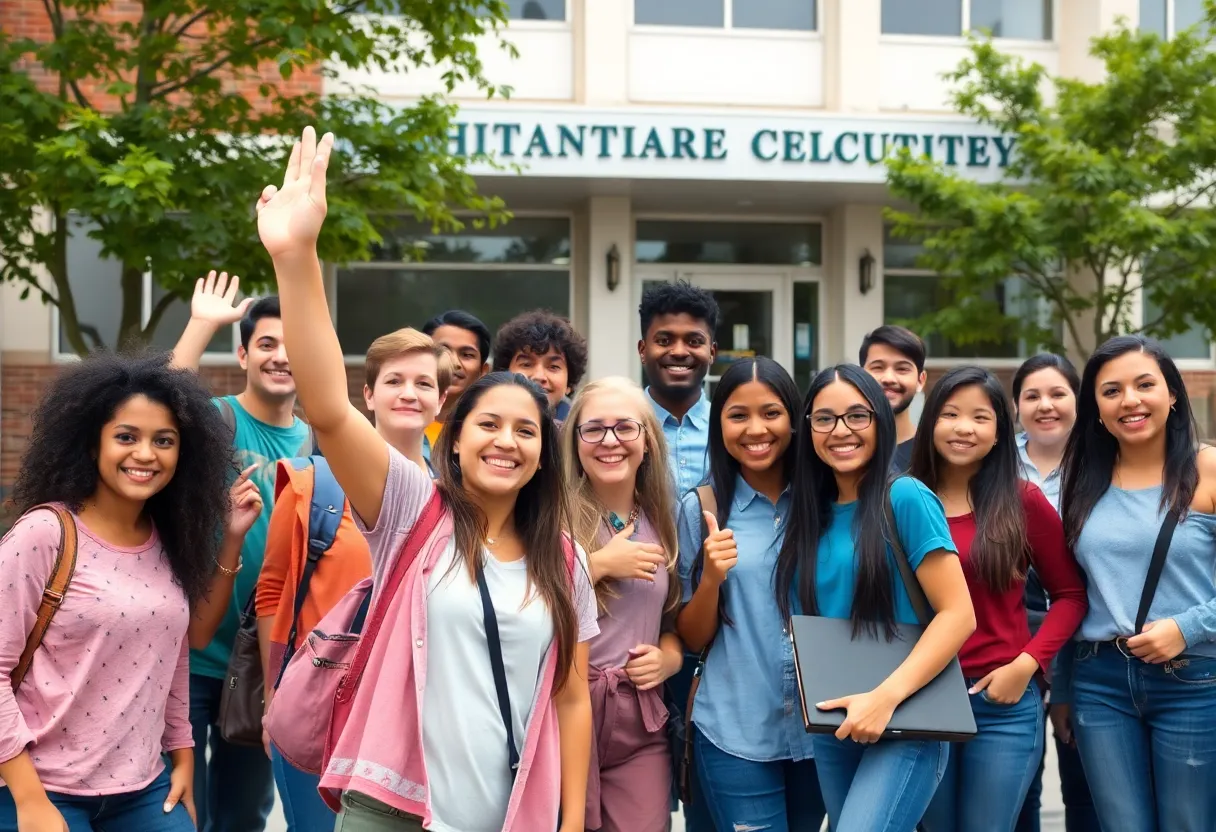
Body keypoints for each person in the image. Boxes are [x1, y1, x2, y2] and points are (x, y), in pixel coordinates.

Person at [257, 126, 597, 831]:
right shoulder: (415, 510)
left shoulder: (565, 561)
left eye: (525, 430)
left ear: (543, 452)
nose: (506, 440)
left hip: (510, 816)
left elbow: (570, 698)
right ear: (456, 434)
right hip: (392, 808)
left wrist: (568, 822)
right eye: (488, 424)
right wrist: (297, 259)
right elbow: (325, 407)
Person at [0, 352, 260, 832]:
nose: (146, 454)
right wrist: (29, 798)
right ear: (91, 443)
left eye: (164, 441)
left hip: (144, 790)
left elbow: (175, 654)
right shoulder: (44, 533)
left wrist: (182, 756)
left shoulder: (169, 542)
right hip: (39, 786)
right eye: (126, 437)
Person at [256, 328, 452, 832]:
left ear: (442, 399)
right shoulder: (311, 484)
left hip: (410, 717)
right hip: (323, 696)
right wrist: (274, 695)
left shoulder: (459, 501)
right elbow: (275, 592)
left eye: (424, 383)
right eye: (394, 380)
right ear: (368, 395)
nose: (410, 392)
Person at [777, 364, 975, 832]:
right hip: (834, 724)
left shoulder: (905, 496)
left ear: (880, 422)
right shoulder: (808, 512)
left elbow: (958, 615)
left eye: (856, 416)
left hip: (904, 717)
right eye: (824, 418)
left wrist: (884, 699)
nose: (840, 431)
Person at [912, 366, 1086, 832]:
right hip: (921, 699)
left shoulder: (1021, 500)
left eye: (980, 417)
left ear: (998, 433)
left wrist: (1027, 665)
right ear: (930, 424)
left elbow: (1070, 594)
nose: (964, 427)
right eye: (949, 414)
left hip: (1001, 701)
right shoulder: (903, 498)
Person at [1056, 335, 1216, 831]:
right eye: (1111, 390)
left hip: (1192, 679)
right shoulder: (1080, 479)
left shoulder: (1208, 468)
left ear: (1172, 393)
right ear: (1096, 409)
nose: (1130, 400)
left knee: (1188, 824)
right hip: (1099, 681)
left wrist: (1186, 627)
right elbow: (1073, 592)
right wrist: (1063, 687)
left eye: (1145, 384)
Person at [172, 273, 313, 832]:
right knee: (177, 810)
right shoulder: (215, 420)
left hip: (267, 668)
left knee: (243, 818)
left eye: (294, 346)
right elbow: (155, 402)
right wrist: (201, 322)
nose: (282, 357)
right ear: (243, 352)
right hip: (188, 660)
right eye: (267, 344)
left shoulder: (321, 442)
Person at [677, 357, 827, 832]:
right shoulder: (701, 508)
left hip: (821, 731)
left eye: (771, 413)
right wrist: (711, 579)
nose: (755, 429)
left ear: (794, 420)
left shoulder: (830, 501)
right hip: (734, 731)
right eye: (738, 415)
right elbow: (690, 637)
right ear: (718, 422)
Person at [563, 377, 683, 832]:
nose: (609, 441)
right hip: (562, 714)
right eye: (593, 429)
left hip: (640, 723)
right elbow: (520, 607)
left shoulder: (664, 520)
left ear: (648, 440)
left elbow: (671, 622)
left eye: (624, 428)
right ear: (575, 442)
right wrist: (594, 566)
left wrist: (668, 660)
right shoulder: (548, 515)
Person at [1010, 353, 1098, 832]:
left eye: (1058, 393)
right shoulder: (995, 464)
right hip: (1010, 647)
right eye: (1032, 396)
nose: (1046, 405)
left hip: (1085, 646)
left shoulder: (1102, 466)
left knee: (1085, 787)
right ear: (1016, 405)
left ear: (1077, 402)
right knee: (1019, 787)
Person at [637, 280, 720, 496]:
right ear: (643, 350)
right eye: (664, 341)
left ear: (712, 353)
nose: (679, 352)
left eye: (694, 341)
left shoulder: (728, 428)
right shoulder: (620, 428)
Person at [493, 310, 589, 422]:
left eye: (553, 367)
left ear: (569, 385)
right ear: (504, 373)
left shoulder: (581, 434)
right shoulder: (480, 424)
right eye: (526, 364)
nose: (539, 376)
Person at [421, 310, 492, 459]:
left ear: (483, 371)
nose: (453, 363)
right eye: (442, 351)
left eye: (467, 355)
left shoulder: (491, 433)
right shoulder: (399, 425)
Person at [859, 325, 927, 473]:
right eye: (878, 367)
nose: (889, 379)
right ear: (860, 376)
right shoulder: (845, 449)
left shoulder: (931, 453)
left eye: (902, 369)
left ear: (920, 381)